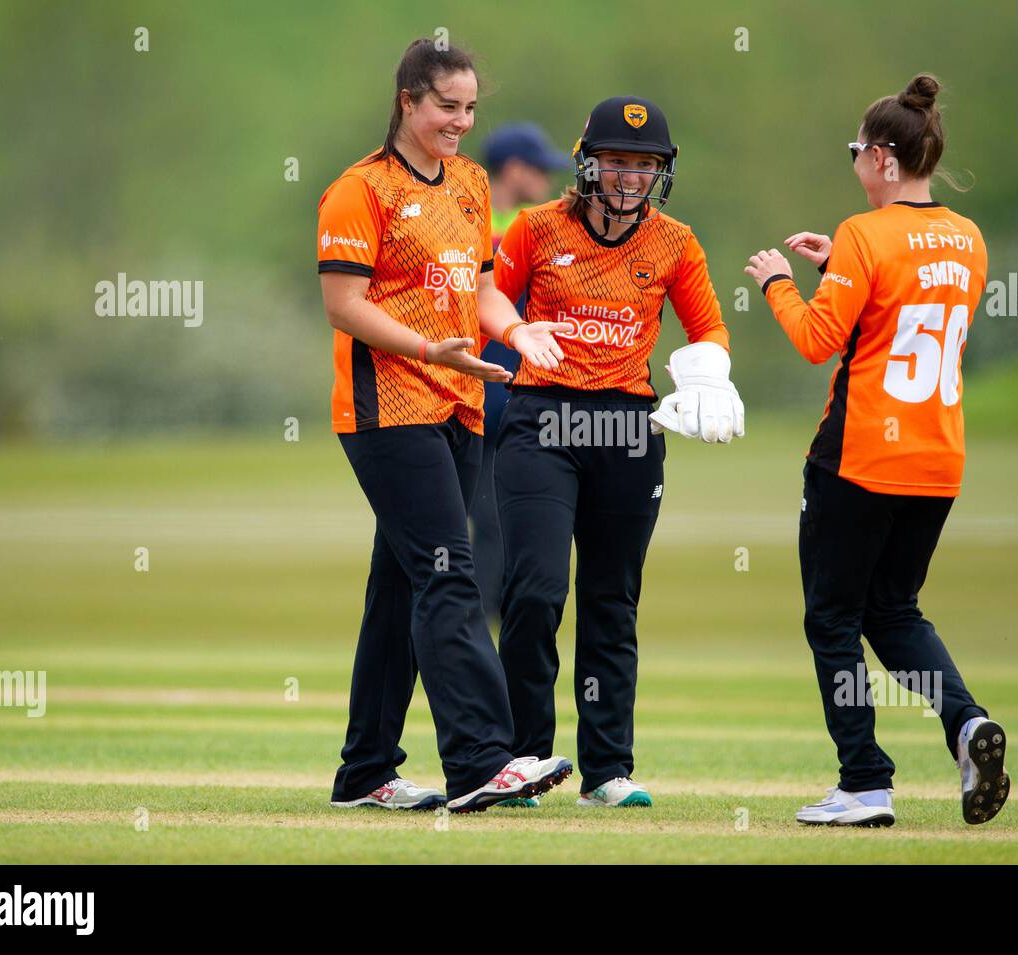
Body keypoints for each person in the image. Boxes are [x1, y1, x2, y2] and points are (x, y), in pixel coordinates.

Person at [317, 38, 577, 814]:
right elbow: (344, 304)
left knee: (399, 590)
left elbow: (484, 287)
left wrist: (517, 330)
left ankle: (365, 770)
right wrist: (433, 348)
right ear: (408, 102)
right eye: (446, 107)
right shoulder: (358, 190)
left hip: (456, 406)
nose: (460, 122)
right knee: (448, 572)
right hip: (386, 411)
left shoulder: (468, 183)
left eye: (469, 108)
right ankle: (481, 760)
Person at [744, 73, 1008, 827]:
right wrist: (840, 269)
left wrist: (778, 283)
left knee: (832, 618)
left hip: (860, 455)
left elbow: (815, 341)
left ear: (886, 159)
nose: (855, 164)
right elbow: (907, 310)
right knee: (893, 609)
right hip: (937, 456)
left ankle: (864, 780)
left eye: (857, 151)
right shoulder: (968, 237)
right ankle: (965, 723)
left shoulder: (866, 232)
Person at [491, 96, 744, 808]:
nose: (631, 177)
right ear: (588, 164)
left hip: (628, 427)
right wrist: (514, 334)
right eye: (618, 163)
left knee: (612, 601)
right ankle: (523, 759)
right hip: (542, 416)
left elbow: (710, 328)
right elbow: (486, 299)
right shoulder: (537, 228)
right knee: (536, 591)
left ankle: (605, 769)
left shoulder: (675, 241)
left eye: (645, 164)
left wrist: (706, 375)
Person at [471, 123, 571, 621]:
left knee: (495, 514)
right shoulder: (507, 228)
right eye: (540, 171)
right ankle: (487, 615)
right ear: (513, 169)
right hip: (491, 391)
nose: (550, 182)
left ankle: (489, 614)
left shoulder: (479, 220)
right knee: (492, 516)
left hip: (499, 390)